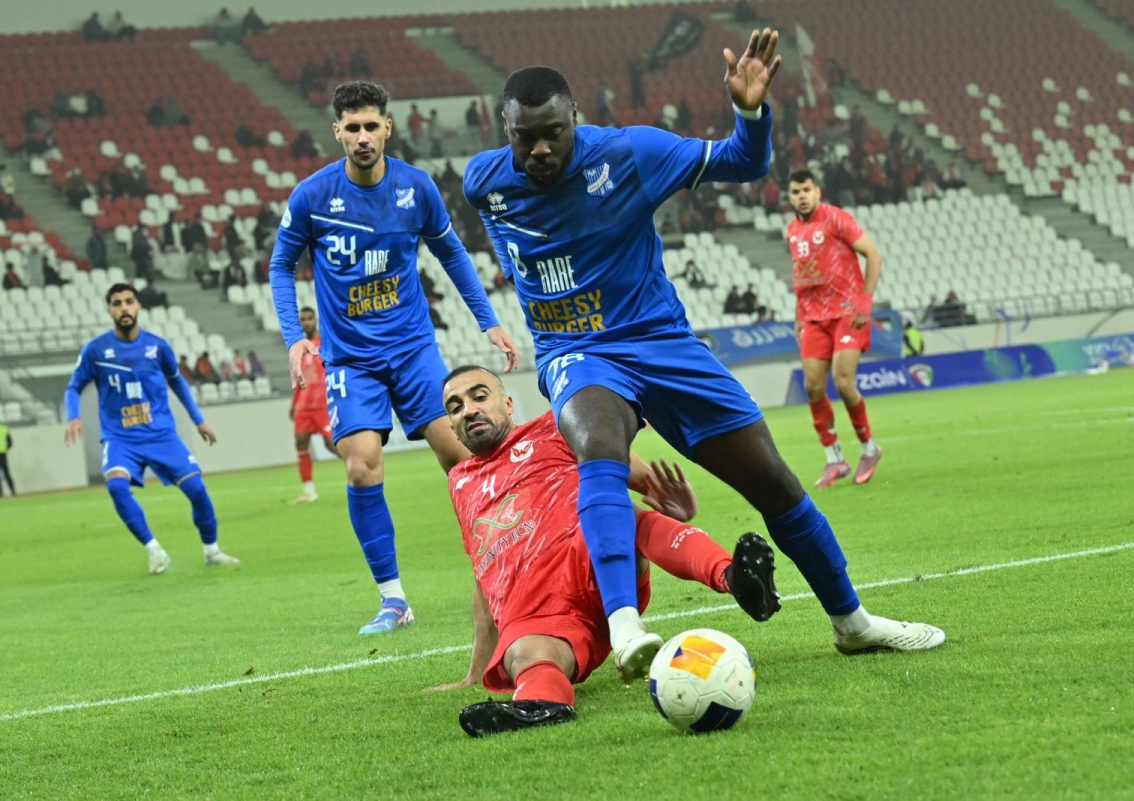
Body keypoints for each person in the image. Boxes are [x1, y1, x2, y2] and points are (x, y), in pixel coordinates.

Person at [462, 32, 943, 681]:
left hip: (662, 342)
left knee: (773, 482)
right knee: (598, 443)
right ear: (506, 130)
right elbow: (501, 230)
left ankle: (852, 622)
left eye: (553, 132)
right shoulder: (483, 180)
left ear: (576, 117)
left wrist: (749, 111)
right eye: (526, 138)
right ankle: (626, 626)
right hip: (575, 349)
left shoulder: (630, 153)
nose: (540, 149)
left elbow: (744, 162)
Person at [269, 80, 518, 635]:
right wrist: (293, 336)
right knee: (360, 465)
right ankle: (393, 599)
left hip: (413, 349)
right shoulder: (311, 196)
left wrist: (489, 320)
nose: (362, 137)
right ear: (337, 132)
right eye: (352, 128)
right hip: (350, 360)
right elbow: (280, 264)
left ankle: (508, 568)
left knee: (464, 459)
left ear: (387, 128)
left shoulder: (416, 188)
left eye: (370, 126)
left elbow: (452, 253)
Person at [432, 366, 778, 737]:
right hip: (537, 614)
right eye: (456, 407)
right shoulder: (460, 483)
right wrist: (476, 670)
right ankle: (539, 704)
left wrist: (666, 499)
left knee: (621, 516)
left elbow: (644, 483)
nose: (469, 410)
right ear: (451, 426)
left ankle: (734, 578)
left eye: (479, 396)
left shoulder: (557, 426)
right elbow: (486, 573)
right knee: (524, 654)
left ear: (508, 403)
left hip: (597, 565)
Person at [64, 284, 240, 574]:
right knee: (116, 486)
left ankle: (212, 550)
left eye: (129, 301)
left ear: (138, 307)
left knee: (197, 489)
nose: (124, 307)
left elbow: (178, 382)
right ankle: (154, 550)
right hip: (120, 438)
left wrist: (198, 420)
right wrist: (73, 416)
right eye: (117, 303)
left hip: (160, 435)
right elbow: (74, 387)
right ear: (109, 310)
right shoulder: (96, 350)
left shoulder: (157, 347)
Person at [786, 169, 884, 487]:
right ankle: (835, 459)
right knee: (813, 387)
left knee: (843, 382)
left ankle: (869, 449)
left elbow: (873, 255)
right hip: (814, 317)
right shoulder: (792, 230)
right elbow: (802, 276)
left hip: (847, 312)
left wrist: (865, 303)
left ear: (817, 191)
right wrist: (799, 317)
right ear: (790, 197)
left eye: (806, 190)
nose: (801, 196)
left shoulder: (836, 218)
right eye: (795, 192)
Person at [289, 307, 338, 504]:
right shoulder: (299, 348)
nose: (306, 322)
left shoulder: (325, 343)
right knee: (300, 442)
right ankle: (309, 491)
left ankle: (359, 472)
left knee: (331, 444)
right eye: (303, 319)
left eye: (309, 318)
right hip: (304, 405)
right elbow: (298, 377)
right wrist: (294, 404)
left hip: (323, 404)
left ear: (315, 320)